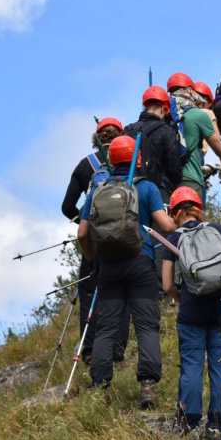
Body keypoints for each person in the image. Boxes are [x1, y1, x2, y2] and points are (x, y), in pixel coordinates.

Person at [77, 135, 178, 407]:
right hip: (140, 264)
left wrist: (94, 261)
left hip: (108, 267)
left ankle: (99, 386)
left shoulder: (98, 190)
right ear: (138, 158)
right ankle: (147, 388)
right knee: (146, 325)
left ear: (110, 160)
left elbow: (83, 233)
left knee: (106, 327)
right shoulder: (147, 188)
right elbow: (166, 227)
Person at [161, 187, 221, 440]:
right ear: (199, 208)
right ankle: (218, 424)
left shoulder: (173, 239)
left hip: (191, 314)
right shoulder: (218, 230)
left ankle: (189, 423)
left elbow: (166, 285)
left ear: (175, 213)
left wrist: (184, 297)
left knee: (192, 367)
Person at [60, 117, 129, 364]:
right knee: (122, 290)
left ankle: (89, 351)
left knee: (90, 290)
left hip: (94, 240)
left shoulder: (85, 165)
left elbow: (67, 206)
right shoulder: (131, 162)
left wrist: (86, 222)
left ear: (96, 138)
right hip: (125, 238)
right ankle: (117, 350)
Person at [168, 73, 221, 201]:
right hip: (191, 178)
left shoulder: (165, 116)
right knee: (192, 219)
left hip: (167, 180)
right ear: (191, 92)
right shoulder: (200, 115)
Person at [124, 86, 183, 202]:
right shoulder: (166, 130)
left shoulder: (128, 130)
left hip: (130, 190)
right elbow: (174, 169)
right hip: (159, 192)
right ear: (163, 109)